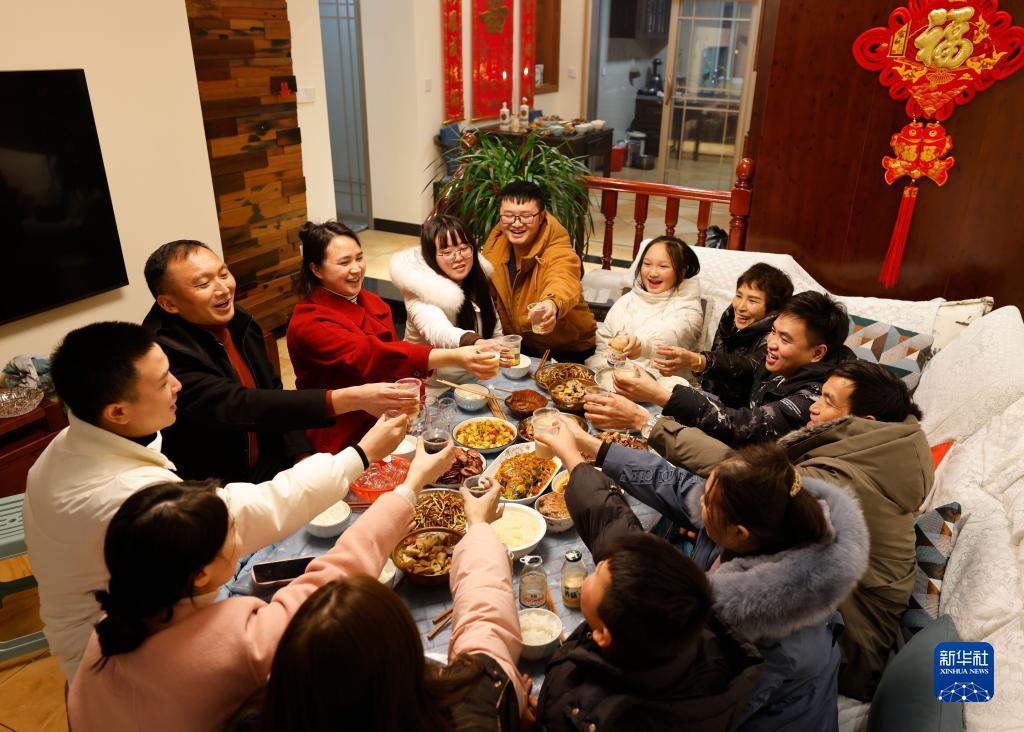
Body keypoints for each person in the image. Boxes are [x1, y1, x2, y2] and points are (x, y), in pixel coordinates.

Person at [23, 321, 406, 681]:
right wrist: (363, 454)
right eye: (163, 382)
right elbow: (244, 514)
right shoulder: (119, 494)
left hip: (140, 615)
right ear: (117, 412)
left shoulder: (74, 441)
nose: (178, 386)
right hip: (118, 656)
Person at [67, 439, 453, 731]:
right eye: (234, 533)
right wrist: (413, 483)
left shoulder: (110, 624)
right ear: (200, 575)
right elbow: (337, 572)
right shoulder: (238, 641)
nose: (243, 539)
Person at [536, 420, 869, 731]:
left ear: (739, 534)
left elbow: (672, 712)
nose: (698, 500)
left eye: (707, 502)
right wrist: (589, 449)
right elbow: (676, 485)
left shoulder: (757, 639)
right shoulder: (782, 517)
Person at [647, 359, 932, 700]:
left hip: (849, 648)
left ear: (864, 421)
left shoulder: (844, 482)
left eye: (828, 401)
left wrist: (648, 424)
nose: (814, 406)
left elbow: (742, 476)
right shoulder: (884, 452)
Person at [143, 239, 418, 482]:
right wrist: (353, 398)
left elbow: (272, 391)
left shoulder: (238, 321)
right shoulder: (160, 354)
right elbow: (241, 405)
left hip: (270, 464)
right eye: (203, 284)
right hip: (216, 485)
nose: (223, 289)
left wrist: (300, 455)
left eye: (224, 274)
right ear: (169, 303)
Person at [261, 482, 527, 730]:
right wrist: (478, 525)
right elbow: (486, 623)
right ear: (408, 663)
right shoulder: (473, 708)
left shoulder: (253, 715)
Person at [287, 220, 500, 453]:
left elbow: (394, 370)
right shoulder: (310, 321)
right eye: (344, 262)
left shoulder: (372, 303)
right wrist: (457, 356)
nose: (356, 269)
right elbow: (375, 355)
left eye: (359, 258)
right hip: (342, 435)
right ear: (316, 269)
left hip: (388, 419)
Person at [589, 291, 854, 446]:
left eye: (785, 339)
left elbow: (739, 427)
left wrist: (658, 396)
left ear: (817, 353)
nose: (772, 344)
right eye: (773, 332)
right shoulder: (785, 360)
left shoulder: (816, 397)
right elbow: (745, 366)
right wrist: (695, 360)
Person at [481, 180, 597, 361]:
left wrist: (551, 304)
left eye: (526, 216)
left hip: (568, 350)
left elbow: (563, 278)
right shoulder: (495, 246)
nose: (516, 224)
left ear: (542, 216)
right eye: (508, 215)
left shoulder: (557, 248)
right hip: (520, 347)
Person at [651, 263, 793, 408]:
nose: (740, 307)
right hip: (711, 402)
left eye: (752, 301)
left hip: (741, 414)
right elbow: (718, 361)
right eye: (739, 296)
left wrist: (697, 360)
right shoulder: (729, 320)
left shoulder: (774, 338)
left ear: (773, 310)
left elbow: (747, 366)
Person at [389, 214, 505, 384]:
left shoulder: (476, 277)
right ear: (431, 256)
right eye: (447, 252)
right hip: (432, 385)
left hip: (476, 375)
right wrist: (476, 341)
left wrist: (499, 348)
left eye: (463, 248)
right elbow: (439, 331)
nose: (458, 257)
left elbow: (494, 325)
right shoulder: (420, 288)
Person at [584, 235, 704, 377]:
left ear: (682, 272)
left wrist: (642, 344)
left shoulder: (689, 307)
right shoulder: (626, 300)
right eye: (647, 264)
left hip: (662, 385)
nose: (653, 273)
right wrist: (605, 372)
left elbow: (672, 333)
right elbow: (604, 344)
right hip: (614, 379)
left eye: (663, 266)